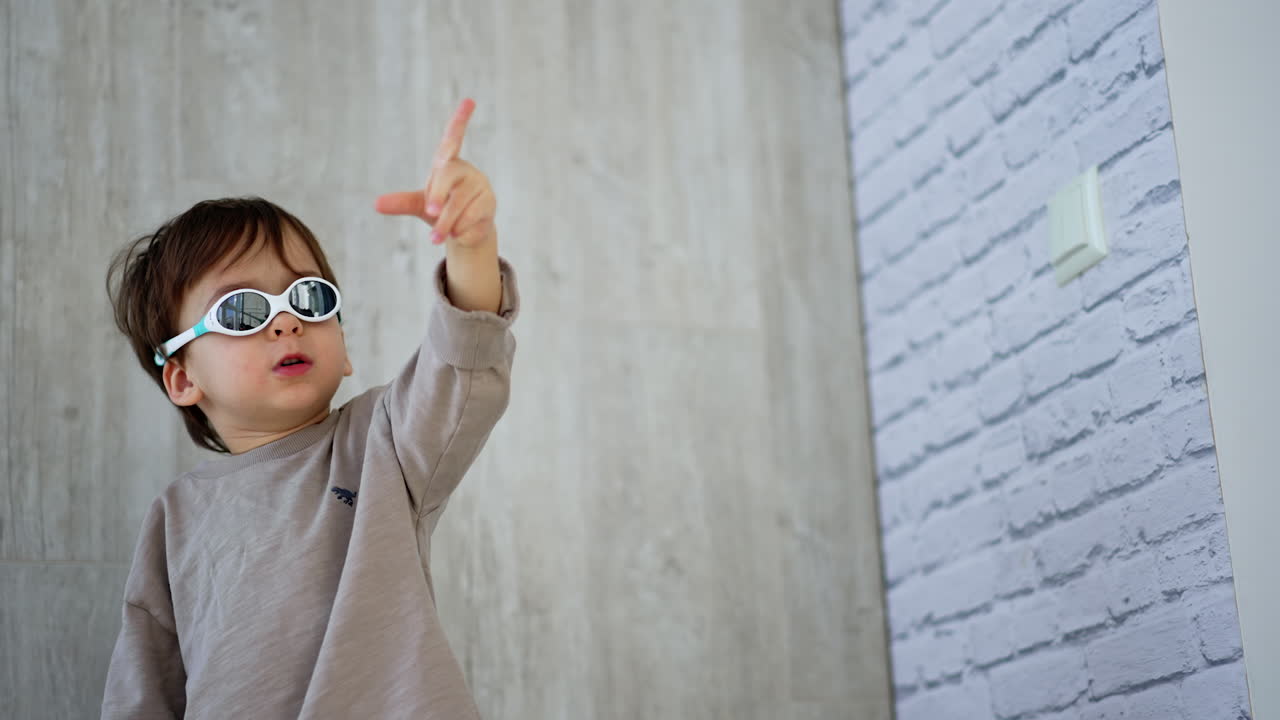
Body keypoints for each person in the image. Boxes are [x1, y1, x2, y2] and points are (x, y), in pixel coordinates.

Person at [99, 98, 517, 719]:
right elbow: (143, 690)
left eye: (309, 296)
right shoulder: (175, 518)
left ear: (344, 349)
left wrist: (472, 246)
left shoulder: (383, 447)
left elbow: (462, 364)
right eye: (243, 310)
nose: (288, 320)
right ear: (183, 378)